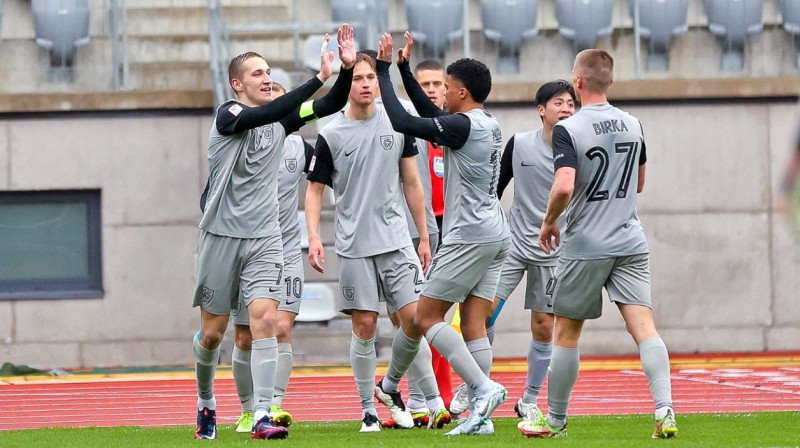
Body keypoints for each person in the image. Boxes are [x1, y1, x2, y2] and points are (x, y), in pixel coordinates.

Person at [192, 25, 356, 440]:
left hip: (265, 239)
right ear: (237, 84)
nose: (266, 78)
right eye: (257, 74)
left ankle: (262, 414)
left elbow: (330, 103)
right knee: (212, 335)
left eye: (268, 72)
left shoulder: (283, 122)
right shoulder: (228, 114)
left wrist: (345, 70)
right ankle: (206, 401)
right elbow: (261, 114)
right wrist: (316, 79)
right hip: (221, 237)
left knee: (264, 321)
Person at [519, 49, 678, 439]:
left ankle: (555, 420)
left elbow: (565, 184)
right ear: (610, 81)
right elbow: (639, 183)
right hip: (630, 239)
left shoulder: (570, 128)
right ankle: (665, 411)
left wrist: (549, 221)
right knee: (645, 328)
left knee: (567, 333)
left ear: (578, 81)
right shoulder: (633, 123)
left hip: (587, 243)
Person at [376, 32, 510, 436]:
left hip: (467, 234)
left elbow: (403, 121)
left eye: (447, 88)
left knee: (426, 315)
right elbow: (426, 112)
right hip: (495, 233)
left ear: (463, 92)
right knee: (473, 324)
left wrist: (383, 70)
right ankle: (479, 417)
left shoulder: (462, 126)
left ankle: (483, 389)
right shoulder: (487, 121)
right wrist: (403, 70)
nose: (442, 95)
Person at [304, 52, 440, 433]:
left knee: (413, 321)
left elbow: (412, 182)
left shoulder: (397, 122)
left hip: (397, 241)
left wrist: (424, 235)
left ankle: (421, 397)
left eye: (370, 77)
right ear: (348, 84)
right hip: (354, 246)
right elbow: (314, 191)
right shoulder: (330, 134)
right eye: (358, 77)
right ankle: (368, 409)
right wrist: (315, 236)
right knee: (365, 325)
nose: (366, 83)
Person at [449, 80, 576, 422]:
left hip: (554, 252)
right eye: (558, 103)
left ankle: (530, 399)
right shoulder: (519, 143)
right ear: (541, 109)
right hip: (514, 246)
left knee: (543, 325)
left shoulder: (579, 150)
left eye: (570, 104)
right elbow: (495, 188)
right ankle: (474, 382)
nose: (565, 108)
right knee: (482, 314)